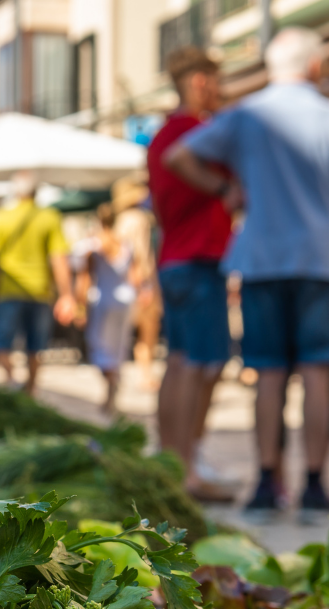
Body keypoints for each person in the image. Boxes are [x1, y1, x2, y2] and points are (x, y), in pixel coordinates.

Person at [165, 27, 329, 515]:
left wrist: (223, 191)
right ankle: (315, 483)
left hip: (261, 259)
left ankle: (266, 480)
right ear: (315, 66)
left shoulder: (245, 115)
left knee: (269, 371)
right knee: (319, 372)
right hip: (321, 258)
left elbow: (178, 156)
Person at [147, 46, 235, 501]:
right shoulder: (195, 134)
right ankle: (187, 469)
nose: (222, 92)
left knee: (180, 360)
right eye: (217, 82)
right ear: (200, 82)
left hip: (175, 258)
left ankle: (171, 460)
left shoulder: (163, 133)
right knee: (202, 363)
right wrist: (224, 187)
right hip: (199, 258)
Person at [0, 171, 76, 394]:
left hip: (7, 291)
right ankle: (30, 389)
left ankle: (12, 382)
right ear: (35, 191)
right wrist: (66, 294)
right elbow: (59, 259)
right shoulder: (49, 217)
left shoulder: (1, 217)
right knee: (36, 345)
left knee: (1, 342)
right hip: (40, 291)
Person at [73, 203, 138, 414]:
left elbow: (84, 279)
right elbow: (135, 276)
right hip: (125, 300)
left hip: (103, 301)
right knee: (118, 347)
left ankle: (110, 385)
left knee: (100, 346)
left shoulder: (93, 247)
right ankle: (113, 384)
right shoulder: (125, 244)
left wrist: (80, 306)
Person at [111, 179, 160, 391]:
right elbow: (140, 256)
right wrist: (145, 286)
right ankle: (145, 375)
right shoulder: (139, 219)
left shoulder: (119, 221)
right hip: (141, 282)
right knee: (147, 332)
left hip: (122, 282)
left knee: (124, 334)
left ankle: (118, 379)